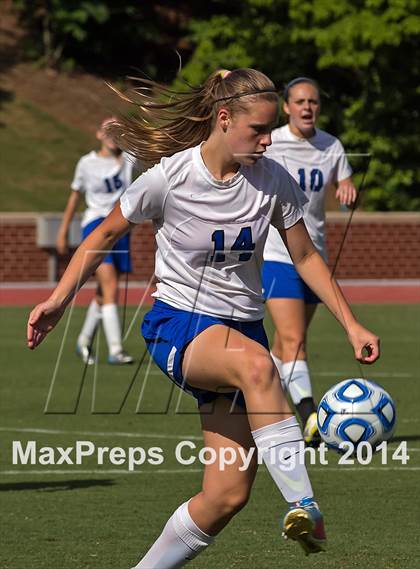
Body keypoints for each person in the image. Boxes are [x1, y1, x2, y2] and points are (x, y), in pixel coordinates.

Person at [27, 69, 379, 567]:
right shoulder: (169, 177)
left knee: (226, 496)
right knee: (259, 366)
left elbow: (304, 256)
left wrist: (351, 323)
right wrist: (59, 300)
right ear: (223, 118)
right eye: (257, 130)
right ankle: (305, 505)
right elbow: (104, 235)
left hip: (241, 329)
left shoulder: (272, 178)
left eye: (269, 129)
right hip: (180, 325)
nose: (266, 140)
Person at [262, 77, 357, 446]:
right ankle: (309, 416)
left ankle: (247, 398)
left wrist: (347, 191)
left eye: (313, 102)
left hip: (313, 255)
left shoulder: (330, 145)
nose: (306, 107)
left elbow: (345, 184)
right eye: (299, 101)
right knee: (293, 339)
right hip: (276, 253)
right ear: (286, 107)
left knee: (284, 348)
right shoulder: (271, 142)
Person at [56, 117, 136, 365]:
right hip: (95, 226)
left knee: (104, 292)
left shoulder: (130, 159)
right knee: (110, 284)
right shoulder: (87, 163)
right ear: (99, 134)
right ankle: (115, 349)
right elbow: (74, 197)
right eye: (108, 131)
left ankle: (83, 340)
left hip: (121, 227)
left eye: (118, 131)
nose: (114, 135)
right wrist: (63, 230)